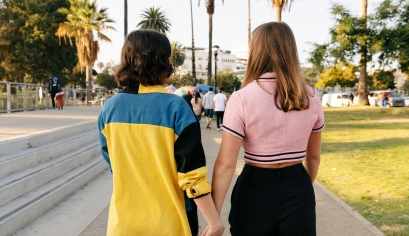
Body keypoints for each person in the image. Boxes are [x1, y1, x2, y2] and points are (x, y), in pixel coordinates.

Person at [98, 30, 223, 236]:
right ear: (163, 62)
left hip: (123, 224)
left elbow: (114, 165)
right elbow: (191, 174)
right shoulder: (177, 108)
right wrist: (214, 221)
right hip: (172, 222)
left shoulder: (109, 109)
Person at [211, 22, 324, 236]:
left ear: (256, 51)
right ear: (291, 50)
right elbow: (315, 157)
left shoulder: (242, 98)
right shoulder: (311, 96)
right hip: (298, 184)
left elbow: (225, 165)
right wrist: (302, 190)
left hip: (254, 188)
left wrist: (213, 217)